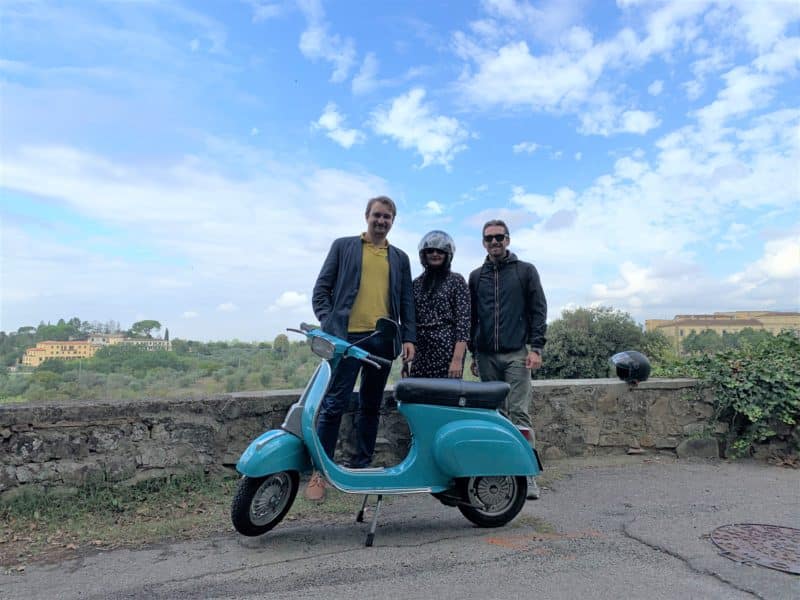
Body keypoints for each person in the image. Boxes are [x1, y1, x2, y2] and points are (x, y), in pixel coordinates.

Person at [304, 195, 416, 501]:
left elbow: (406, 301)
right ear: (366, 216)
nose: (381, 221)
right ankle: (320, 472)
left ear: (393, 221)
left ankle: (361, 465)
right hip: (347, 340)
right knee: (333, 404)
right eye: (377, 215)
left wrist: (408, 338)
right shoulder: (344, 246)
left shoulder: (400, 258)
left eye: (387, 217)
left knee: (371, 405)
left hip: (381, 340)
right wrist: (331, 325)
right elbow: (321, 290)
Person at [468, 219, 547, 500]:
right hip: (487, 354)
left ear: (508, 240)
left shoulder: (525, 271)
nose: (495, 242)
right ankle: (500, 474)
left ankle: (527, 476)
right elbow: (473, 318)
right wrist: (473, 354)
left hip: (517, 353)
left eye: (499, 237)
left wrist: (536, 348)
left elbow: (538, 310)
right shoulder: (477, 276)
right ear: (483, 243)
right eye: (489, 238)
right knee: (494, 416)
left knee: (519, 416)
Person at [408, 231, 470, 379]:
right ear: (424, 254)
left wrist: (457, 360)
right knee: (421, 394)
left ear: (447, 254)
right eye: (430, 250)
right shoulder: (416, 284)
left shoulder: (456, 281)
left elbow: (464, 322)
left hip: (447, 350)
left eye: (440, 251)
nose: (435, 254)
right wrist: (406, 363)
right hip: (421, 352)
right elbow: (410, 322)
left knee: (446, 397)